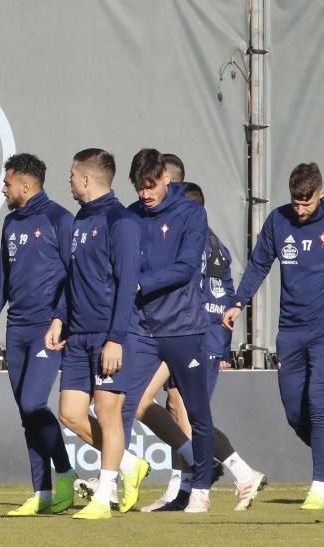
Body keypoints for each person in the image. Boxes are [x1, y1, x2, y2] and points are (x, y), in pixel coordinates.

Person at [224, 162, 324, 510]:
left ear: (321, 192)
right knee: (296, 414)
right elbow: (259, 265)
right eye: (296, 201)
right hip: (290, 330)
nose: (300, 208)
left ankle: (319, 486)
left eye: (306, 202)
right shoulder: (279, 221)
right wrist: (238, 302)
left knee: (320, 404)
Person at [137, 166, 266, 512]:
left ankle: (217, 478)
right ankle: (188, 486)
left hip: (198, 334)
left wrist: (221, 345)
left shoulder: (205, 246)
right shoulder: (195, 240)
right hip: (175, 330)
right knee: (165, 407)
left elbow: (219, 297)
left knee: (185, 412)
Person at [44, 148, 144, 519]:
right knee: (69, 413)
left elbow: (127, 284)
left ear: (86, 179)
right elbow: (74, 281)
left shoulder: (121, 222)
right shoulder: (79, 221)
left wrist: (116, 338)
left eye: (71, 174)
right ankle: (129, 464)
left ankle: (104, 496)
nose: (68, 180)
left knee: (107, 411)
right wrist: (59, 318)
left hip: (109, 335)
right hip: (78, 335)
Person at [0, 153, 77, 517]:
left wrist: (61, 319)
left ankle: (65, 473)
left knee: (35, 402)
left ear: (25, 184)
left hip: (47, 329)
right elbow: (1, 276)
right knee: (27, 413)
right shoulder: (9, 224)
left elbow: (74, 276)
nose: (3, 189)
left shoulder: (60, 219)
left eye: (7, 183)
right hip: (16, 329)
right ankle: (43, 492)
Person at [126, 148, 215, 513]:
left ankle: (201, 490)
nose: (145, 194)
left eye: (150, 186)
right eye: (139, 188)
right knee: (125, 404)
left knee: (195, 411)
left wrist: (139, 284)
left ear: (165, 179)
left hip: (182, 327)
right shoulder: (129, 215)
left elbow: (185, 268)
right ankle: (114, 482)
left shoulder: (191, 213)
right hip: (141, 330)